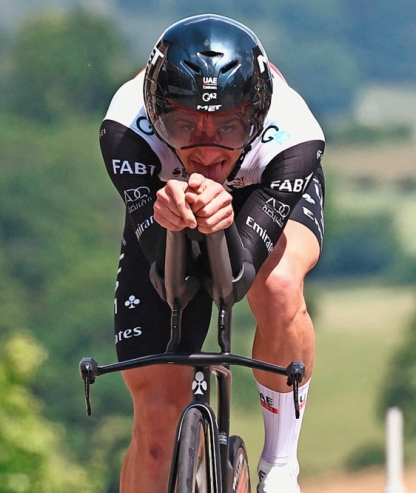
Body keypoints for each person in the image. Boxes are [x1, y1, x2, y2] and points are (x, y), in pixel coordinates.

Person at [99, 13, 325, 493]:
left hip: (262, 185)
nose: (205, 150)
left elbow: (235, 282)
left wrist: (223, 222)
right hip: (168, 203)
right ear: (157, 115)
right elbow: (169, 278)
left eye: (227, 127)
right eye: (184, 126)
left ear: (256, 116)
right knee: (157, 430)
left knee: (279, 285)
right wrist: (173, 219)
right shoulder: (126, 130)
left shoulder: (294, 137)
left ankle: (281, 464)